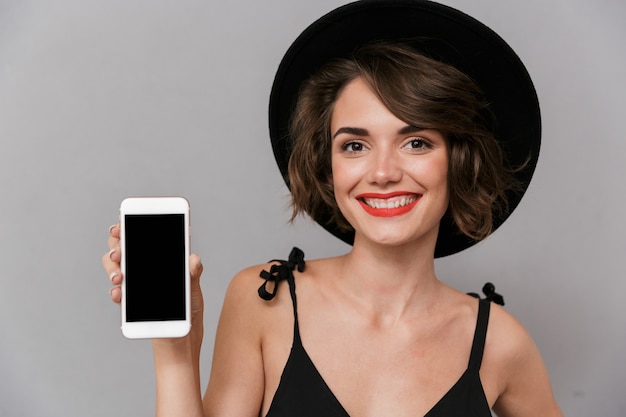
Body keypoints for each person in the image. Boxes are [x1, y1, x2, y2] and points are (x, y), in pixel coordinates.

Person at [102, 1, 563, 416]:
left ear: (459, 162)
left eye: (416, 142)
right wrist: (175, 350)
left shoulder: (500, 342)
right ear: (328, 168)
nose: (382, 172)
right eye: (355, 145)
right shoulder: (265, 300)